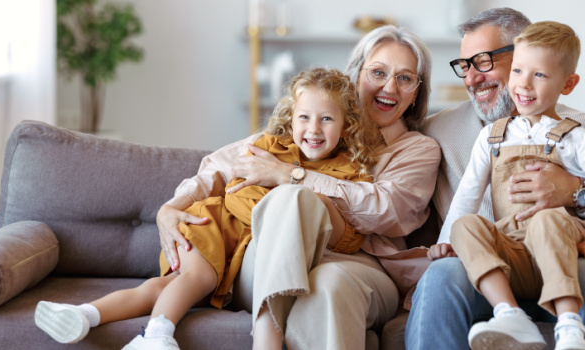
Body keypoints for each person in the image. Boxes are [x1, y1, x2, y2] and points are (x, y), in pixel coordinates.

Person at [33, 67, 383, 349]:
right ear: (291, 120)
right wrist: (170, 208)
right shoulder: (268, 148)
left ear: (346, 126)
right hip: (213, 226)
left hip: (239, 252)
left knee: (161, 288)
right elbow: (230, 187)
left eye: (327, 119)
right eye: (304, 117)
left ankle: (85, 314)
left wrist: (300, 192)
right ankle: (155, 335)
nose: (314, 129)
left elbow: (349, 234)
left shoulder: (347, 173)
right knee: (196, 278)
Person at [156, 25, 441, 350]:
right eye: (378, 72)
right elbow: (221, 165)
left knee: (329, 282)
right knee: (290, 201)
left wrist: (292, 175)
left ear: (416, 92)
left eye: (404, 78)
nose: (389, 86)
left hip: (360, 266)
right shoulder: (315, 126)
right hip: (272, 258)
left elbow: (385, 210)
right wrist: (170, 208)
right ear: (356, 75)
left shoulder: (418, 150)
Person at [407, 8, 585, 350]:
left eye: (482, 61)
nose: (471, 78)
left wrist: (576, 191)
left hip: (567, 261)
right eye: (464, 65)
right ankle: (509, 314)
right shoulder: (440, 129)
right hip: (493, 271)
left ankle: (571, 327)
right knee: (441, 272)